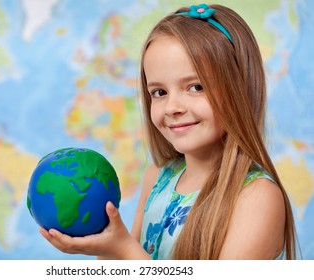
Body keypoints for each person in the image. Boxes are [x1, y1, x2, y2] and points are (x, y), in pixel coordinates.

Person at [40, 3, 297, 259]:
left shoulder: (258, 198)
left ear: (239, 89)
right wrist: (105, 247)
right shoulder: (158, 177)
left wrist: (125, 251)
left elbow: (132, 259)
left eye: (196, 87)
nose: (172, 107)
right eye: (159, 92)